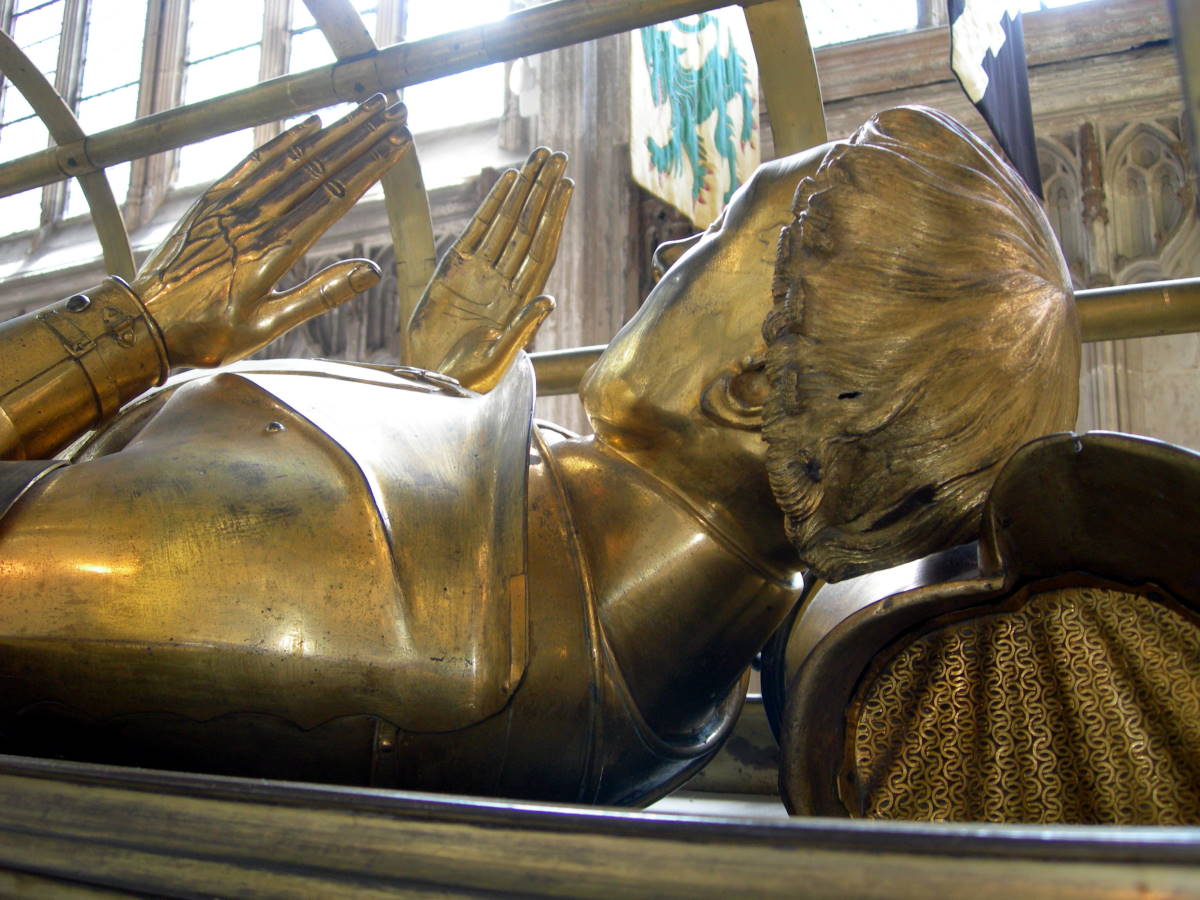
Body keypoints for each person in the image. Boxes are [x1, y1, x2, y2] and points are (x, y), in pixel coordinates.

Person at [0, 102, 1078, 806]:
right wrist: (436, 398)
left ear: (745, 390)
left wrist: (129, 333)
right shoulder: (674, 694)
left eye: (710, 242)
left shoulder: (372, 571)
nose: (669, 246)